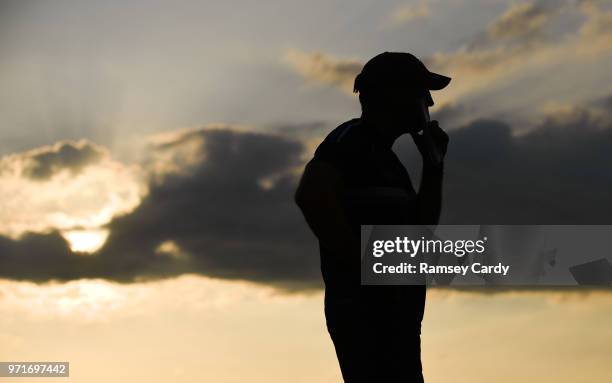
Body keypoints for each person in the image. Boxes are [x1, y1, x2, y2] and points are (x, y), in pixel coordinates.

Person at [294, 52, 451, 382]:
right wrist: (363, 266)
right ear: (397, 95)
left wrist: (434, 166)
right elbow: (312, 195)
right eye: (423, 92)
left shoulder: (389, 162)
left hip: (400, 317)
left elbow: (421, 230)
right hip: (368, 318)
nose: (430, 103)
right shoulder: (350, 141)